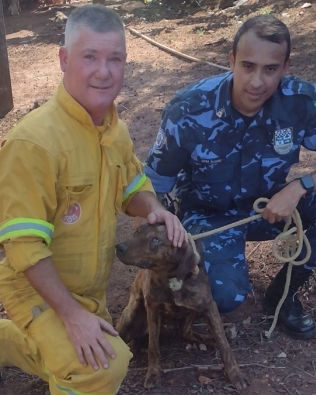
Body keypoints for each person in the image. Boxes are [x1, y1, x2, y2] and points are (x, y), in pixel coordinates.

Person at [0, 5, 187, 395]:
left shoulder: (113, 130)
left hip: (89, 291)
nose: (104, 71)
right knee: (101, 369)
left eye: (114, 59)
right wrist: (70, 316)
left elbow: (133, 188)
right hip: (35, 292)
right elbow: (23, 245)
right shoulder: (34, 142)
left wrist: (156, 210)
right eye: (90, 57)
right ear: (64, 60)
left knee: (101, 355)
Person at [144, 14, 316, 341]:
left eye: (270, 69)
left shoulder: (302, 101)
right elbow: (152, 187)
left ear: (286, 66)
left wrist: (301, 185)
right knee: (225, 298)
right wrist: (166, 236)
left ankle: (284, 294)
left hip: (270, 206)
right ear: (231, 60)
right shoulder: (189, 109)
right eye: (248, 66)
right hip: (208, 216)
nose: (257, 82)